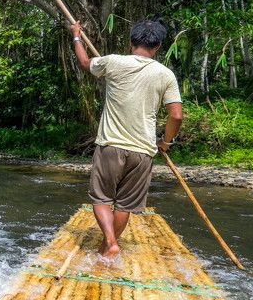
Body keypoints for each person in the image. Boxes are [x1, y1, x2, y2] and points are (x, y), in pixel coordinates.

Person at [71, 18, 183, 260]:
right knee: (125, 205)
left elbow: (83, 62)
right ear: (158, 47)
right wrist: (166, 142)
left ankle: (110, 243)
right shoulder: (166, 74)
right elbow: (176, 115)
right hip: (143, 151)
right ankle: (107, 248)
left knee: (101, 198)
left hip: (111, 145)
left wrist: (77, 35)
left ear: (131, 42)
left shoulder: (112, 62)